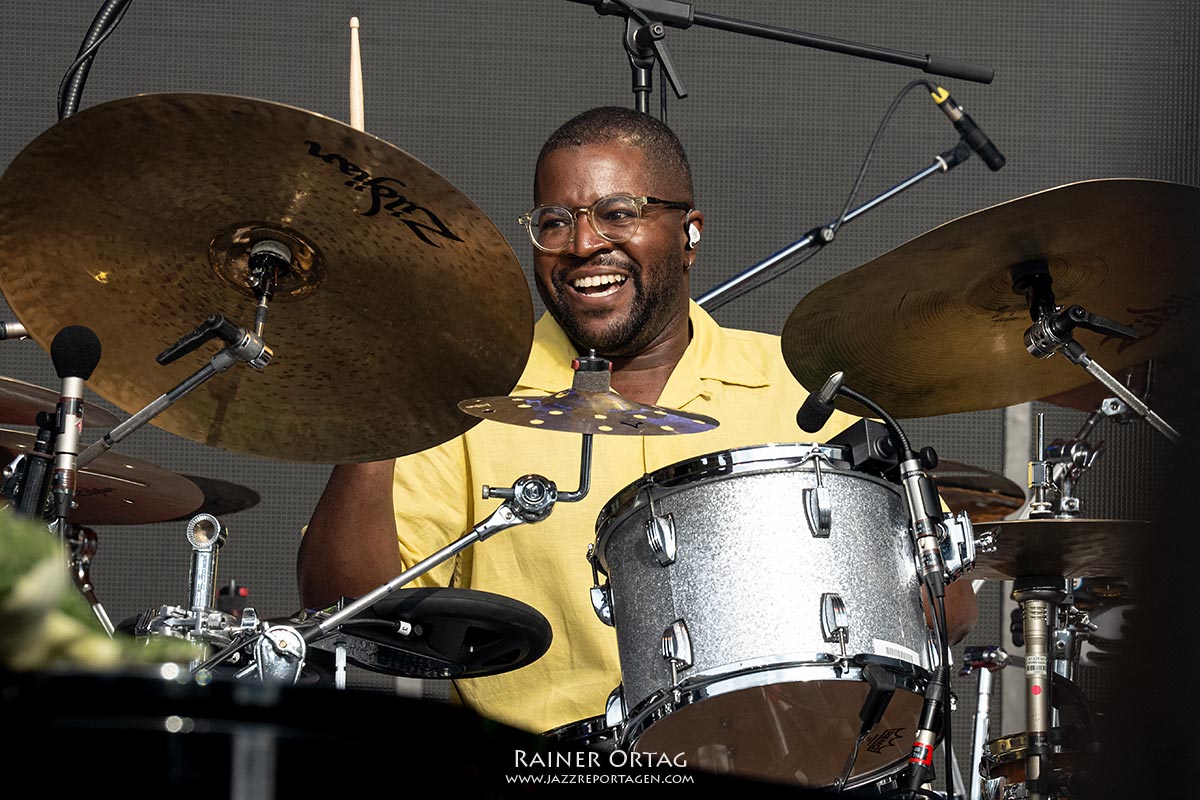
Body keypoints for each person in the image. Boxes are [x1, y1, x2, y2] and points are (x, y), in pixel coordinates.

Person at [297, 106, 977, 736]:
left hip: (777, 760)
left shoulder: (801, 387)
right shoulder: (469, 399)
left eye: (617, 212)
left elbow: (946, 606)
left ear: (689, 232)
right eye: (555, 221)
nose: (583, 243)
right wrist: (386, 402)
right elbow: (346, 606)